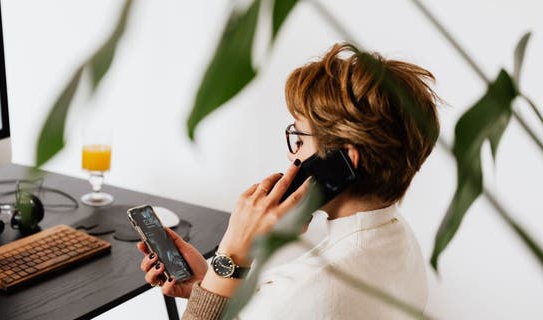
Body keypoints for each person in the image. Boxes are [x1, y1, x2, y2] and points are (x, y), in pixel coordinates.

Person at [137, 42, 439, 319]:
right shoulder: (399, 240)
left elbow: (293, 304)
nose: (291, 153)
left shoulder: (307, 289)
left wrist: (231, 251)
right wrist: (210, 282)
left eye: (299, 137)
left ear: (345, 158)